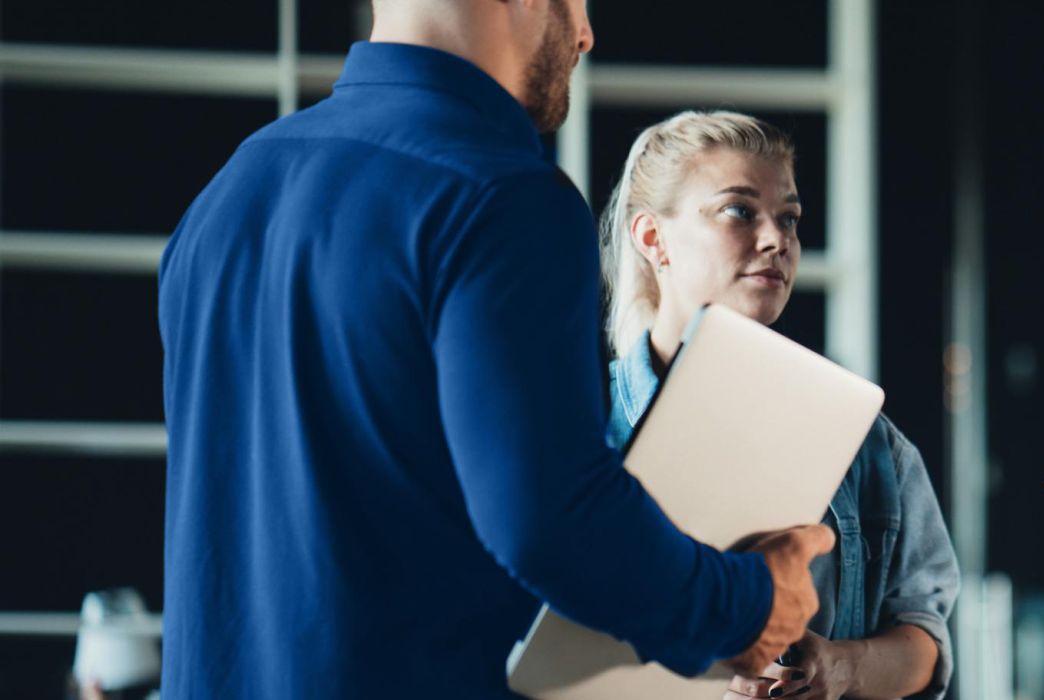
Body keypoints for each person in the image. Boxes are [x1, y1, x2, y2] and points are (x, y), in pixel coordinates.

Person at [157, 2, 831, 698]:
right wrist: (745, 605)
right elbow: (551, 520)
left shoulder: (228, 195)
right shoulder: (503, 196)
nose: (586, 33)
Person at [598, 110, 959, 700]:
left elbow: (925, 641)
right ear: (652, 238)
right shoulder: (575, 427)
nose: (777, 240)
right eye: (739, 211)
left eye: (788, 217)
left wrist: (841, 667)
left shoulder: (867, 444)